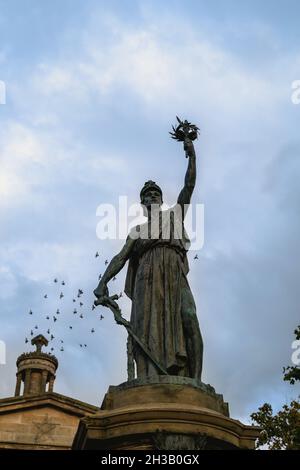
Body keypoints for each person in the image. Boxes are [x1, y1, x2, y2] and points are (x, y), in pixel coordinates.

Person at [94, 139, 203, 380]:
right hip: (147, 278)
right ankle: (149, 376)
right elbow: (120, 257)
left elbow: (189, 185)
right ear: (143, 202)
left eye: (156, 193)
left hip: (173, 272)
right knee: (147, 330)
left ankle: (194, 380)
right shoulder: (137, 231)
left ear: (161, 199)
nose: (152, 196)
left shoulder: (174, 214)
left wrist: (191, 154)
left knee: (189, 317)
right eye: (148, 195)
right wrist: (103, 282)